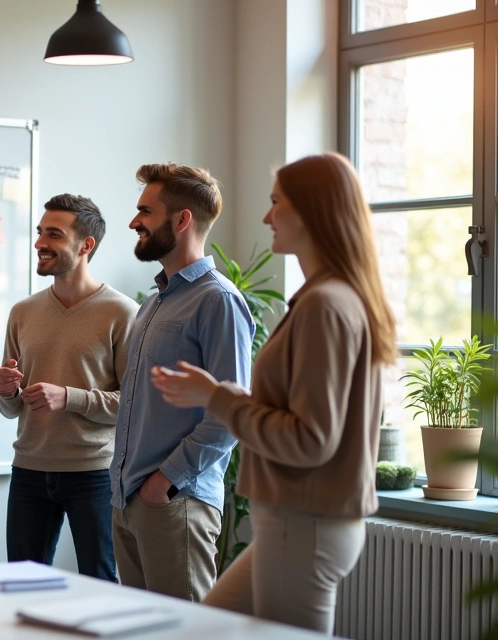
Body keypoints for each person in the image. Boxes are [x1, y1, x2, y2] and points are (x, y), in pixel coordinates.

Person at [152, 152, 396, 633]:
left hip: (303, 524)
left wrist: (217, 398)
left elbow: (310, 439)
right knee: (204, 628)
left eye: (276, 202)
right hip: (298, 524)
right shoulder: (331, 298)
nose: (267, 217)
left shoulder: (326, 305)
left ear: (311, 212)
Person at [109, 163, 254, 601]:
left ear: (182, 219)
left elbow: (231, 414)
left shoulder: (218, 300)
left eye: (145, 212)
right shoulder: (151, 305)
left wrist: (164, 483)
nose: (134, 222)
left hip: (175, 502)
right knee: (141, 629)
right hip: (129, 500)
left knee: (187, 630)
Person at [0, 194, 137, 581]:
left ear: (86, 245)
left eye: (53, 234)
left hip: (94, 474)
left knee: (100, 582)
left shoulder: (122, 313)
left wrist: (68, 397)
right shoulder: (22, 313)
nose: (40, 242)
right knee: (21, 584)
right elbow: (11, 408)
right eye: (40, 232)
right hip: (28, 470)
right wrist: (6, 391)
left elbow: (135, 405)